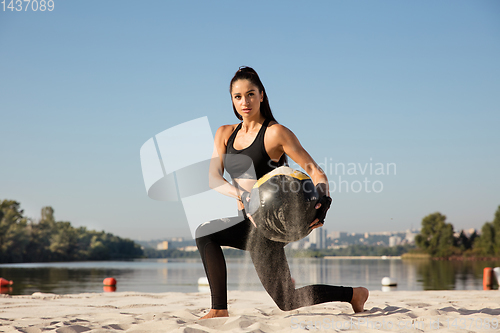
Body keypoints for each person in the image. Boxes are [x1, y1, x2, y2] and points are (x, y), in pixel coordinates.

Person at [195, 66, 369, 319]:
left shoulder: (275, 133)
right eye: (238, 96)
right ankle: (354, 294)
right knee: (288, 300)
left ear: (262, 95)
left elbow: (315, 171)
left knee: (205, 233)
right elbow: (212, 178)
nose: (245, 102)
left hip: (273, 225)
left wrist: (324, 201)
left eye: (251, 94)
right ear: (232, 99)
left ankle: (219, 310)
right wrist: (242, 196)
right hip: (247, 221)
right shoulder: (224, 134)